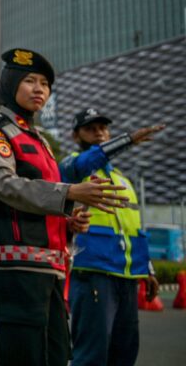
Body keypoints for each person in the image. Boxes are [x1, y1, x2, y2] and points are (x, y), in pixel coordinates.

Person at [0, 48, 130, 366]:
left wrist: (68, 220)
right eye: (30, 80)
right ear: (10, 84)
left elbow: (42, 197)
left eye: (45, 83)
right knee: (26, 356)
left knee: (57, 354)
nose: (39, 88)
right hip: (17, 264)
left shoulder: (39, 140)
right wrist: (68, 191)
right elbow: (4, 185)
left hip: (50, 267)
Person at [59, 108, 164, 366]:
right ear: (75, 136)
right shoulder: (73, 167)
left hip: (127, 278)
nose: (99, 133)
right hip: (93, 273)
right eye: (90, 129)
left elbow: (135, 230)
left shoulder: (123, 181)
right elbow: (87, 161)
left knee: (124, 354)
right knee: (91, 356)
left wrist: (147, 269)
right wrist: (127, 140)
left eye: (103, 128)